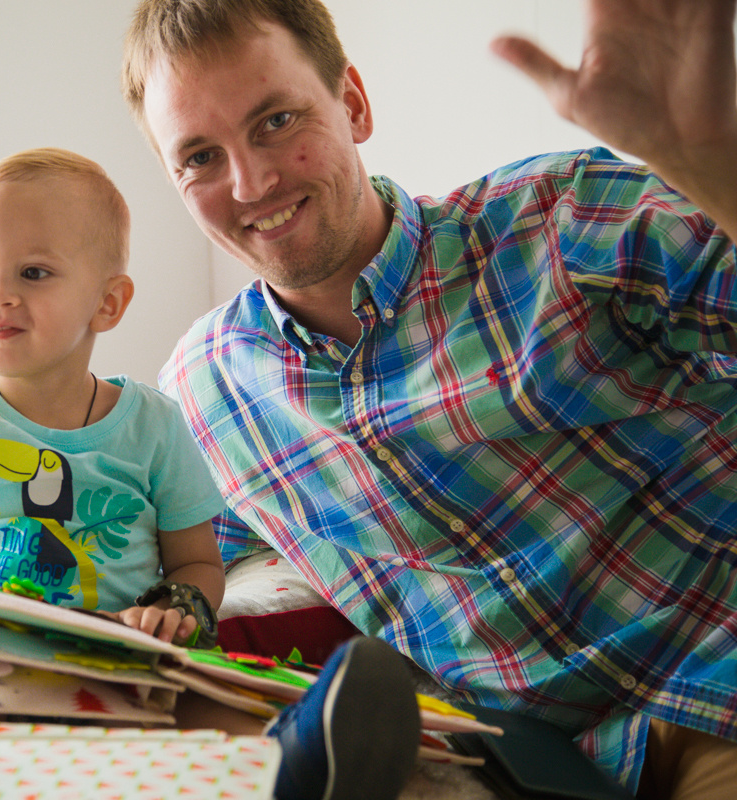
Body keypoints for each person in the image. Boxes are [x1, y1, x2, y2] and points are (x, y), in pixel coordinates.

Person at [121, 1, 737, 798]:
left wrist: (714, 165)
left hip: (712, 693)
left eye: (276, 120)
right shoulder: (208, 390)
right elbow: (165, 552)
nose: (252, 181)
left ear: (353, 105)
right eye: (200, 157)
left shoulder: (564, 218)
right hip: (506, 759)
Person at [0, 147, 423, 800]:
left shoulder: (153, 425)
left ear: (108, 303)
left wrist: (180, 607)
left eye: (32, 271)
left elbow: (196, 562)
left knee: (210, 711)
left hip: (116, 659)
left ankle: (310, 754)